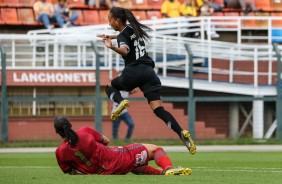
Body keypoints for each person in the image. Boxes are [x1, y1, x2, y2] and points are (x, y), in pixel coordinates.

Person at [96, 7, 196, 155]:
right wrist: (112, 36)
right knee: (158, 109)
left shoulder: (123, 36)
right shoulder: (133, 28)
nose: (109, 22)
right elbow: (125, 35)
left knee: (110, 86)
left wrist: (112, 47)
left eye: (110, 20)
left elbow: (125, 50)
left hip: (133, 72)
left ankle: (119, 102)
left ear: (117, 21)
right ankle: (181, 133)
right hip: (149, 73)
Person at [54, 116, 192, 175]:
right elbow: (106, 140)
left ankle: (162, 174)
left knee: (135, 165)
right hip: (117, 160)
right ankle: (168, 169)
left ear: (56, 132)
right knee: (155, 149)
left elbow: (71, 172)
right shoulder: (84, 131)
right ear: (70, 125)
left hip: (102, 173)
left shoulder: (60, 152)